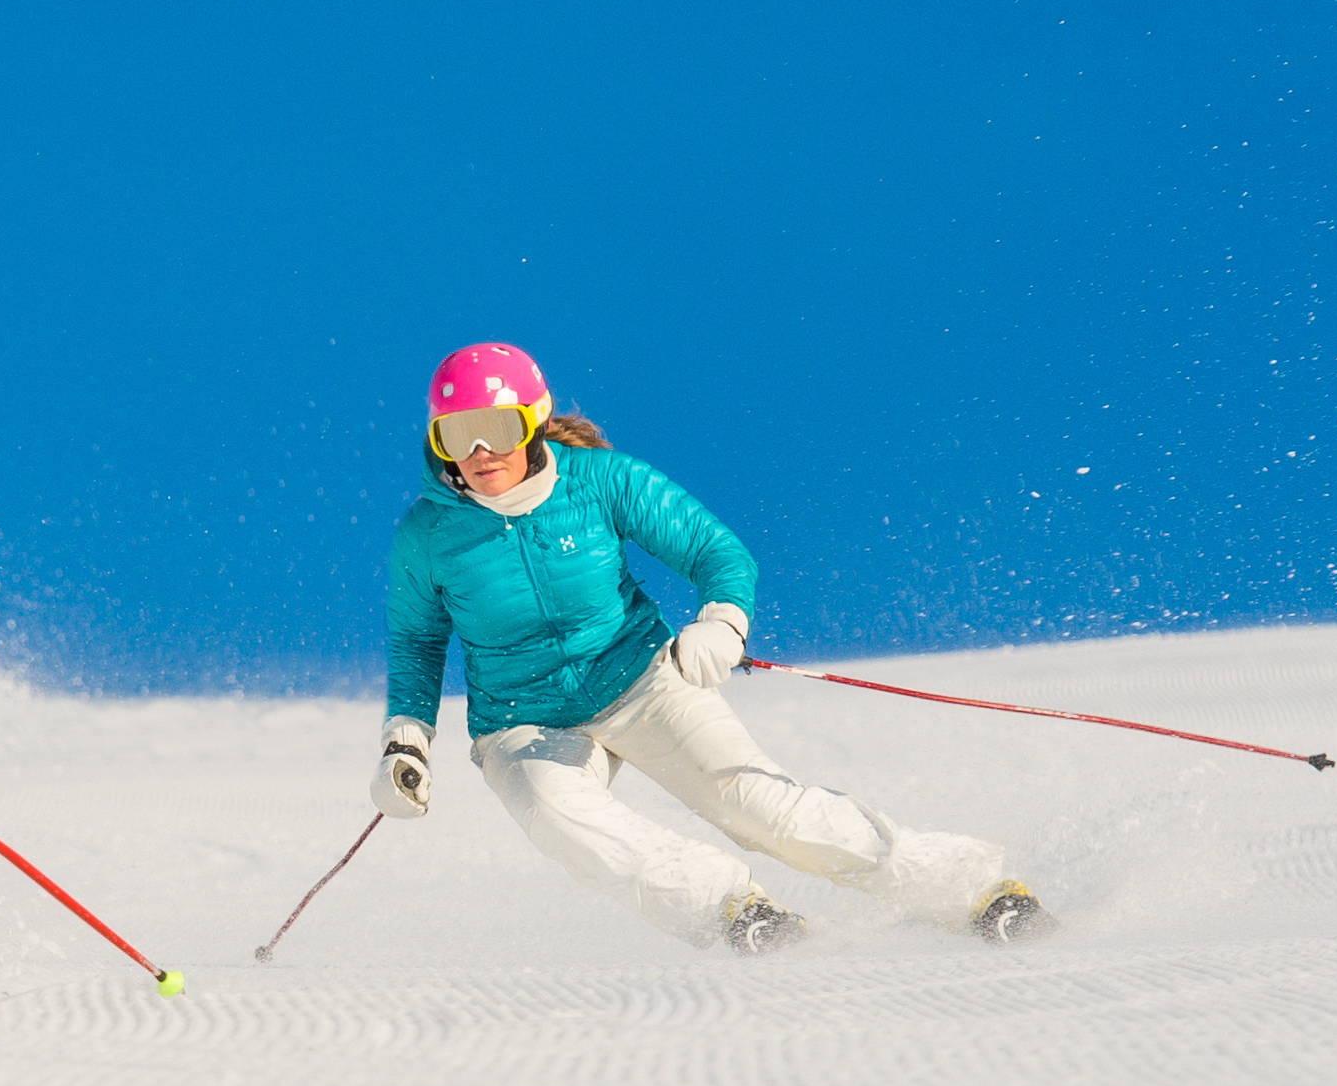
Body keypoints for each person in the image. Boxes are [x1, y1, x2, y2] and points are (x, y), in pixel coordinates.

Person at [372, 340, 1042, 951]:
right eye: (458, 434)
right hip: (520, 718)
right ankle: (737, 915)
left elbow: (713, 549)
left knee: (762, 809)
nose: (481, 452)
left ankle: (976, 891)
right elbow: (416, 640)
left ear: (535, 420)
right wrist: (407, 739)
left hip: (639, 678)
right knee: (562, 820)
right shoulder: (427, 535)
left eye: (499, 427)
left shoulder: (601, 482)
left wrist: (721, 622)